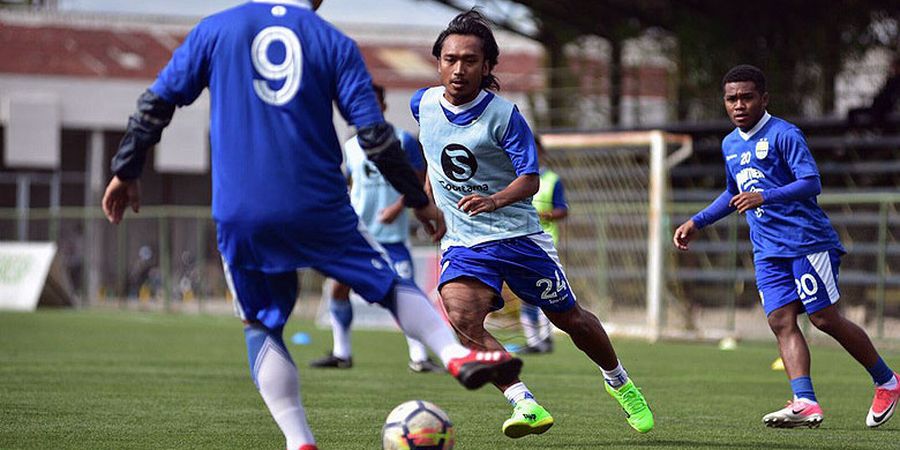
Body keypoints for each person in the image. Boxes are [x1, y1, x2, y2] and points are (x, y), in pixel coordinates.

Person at [100, 2, 522, 449]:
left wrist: (126, 169)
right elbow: (374, 134)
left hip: (243, 208)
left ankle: (299, 441)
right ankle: (455, 355)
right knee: (386, 284)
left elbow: (156, 103)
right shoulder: (333, 42)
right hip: (318, 204)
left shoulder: (216, 30)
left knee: (261, 326)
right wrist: (419, 202)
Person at [412, 10, 653, 439]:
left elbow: (531, 179)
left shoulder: (505, 117)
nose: (458, 69)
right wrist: (429, 201)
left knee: (571, 320)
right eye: (450, 59)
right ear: (438, 62)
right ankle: (524, 403)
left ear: (487, 67)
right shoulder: (423, 104)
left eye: (470, 60)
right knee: (461, 317)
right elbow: (433, 150)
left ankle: (619, 381)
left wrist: (494, 199)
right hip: (466, 243)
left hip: (519, 238)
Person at [674, 64, 899, 429]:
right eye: (731, 99)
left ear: (764, 98)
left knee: (824, 318)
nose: (739, 105)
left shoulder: (784, 134)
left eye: (747, 97)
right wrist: (697, 221)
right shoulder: (730, 143)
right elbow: (733, 193)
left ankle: (887, 381)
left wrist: (766, 195)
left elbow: (811, 183)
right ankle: (805, 401)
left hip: (806, 241)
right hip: (767, 249)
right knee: (780, 320)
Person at [310, 83, 442, 373]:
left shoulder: (403, 140)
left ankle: (419, 357)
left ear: (383, 106)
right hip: (358, 233)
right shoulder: (349, 146)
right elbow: (347, 183)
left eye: (374, 102)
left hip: (392, 236)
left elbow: (418, 182)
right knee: (338, 289)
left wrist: (397, 208)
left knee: (406, 291)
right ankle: (341, 352)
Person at [516, 135, 567, 354]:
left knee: (547, 292)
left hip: (545, 242)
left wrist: (543, 214)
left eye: (535, 150)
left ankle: (545, 338)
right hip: (519, 240)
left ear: (542, 153)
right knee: (524, 294)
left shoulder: (552, 179)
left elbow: (562, 209)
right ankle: (533, 340)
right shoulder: (514, 176)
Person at [848, 56, 900, 130]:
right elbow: (883, 93)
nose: (893, 68)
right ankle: (855, 132)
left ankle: (871, 131)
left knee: (872, 116)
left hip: (883, 108)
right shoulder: (891, 79)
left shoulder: (896, 81)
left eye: (895, 66)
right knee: (852, 112)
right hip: (878, 107)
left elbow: (892, 96)